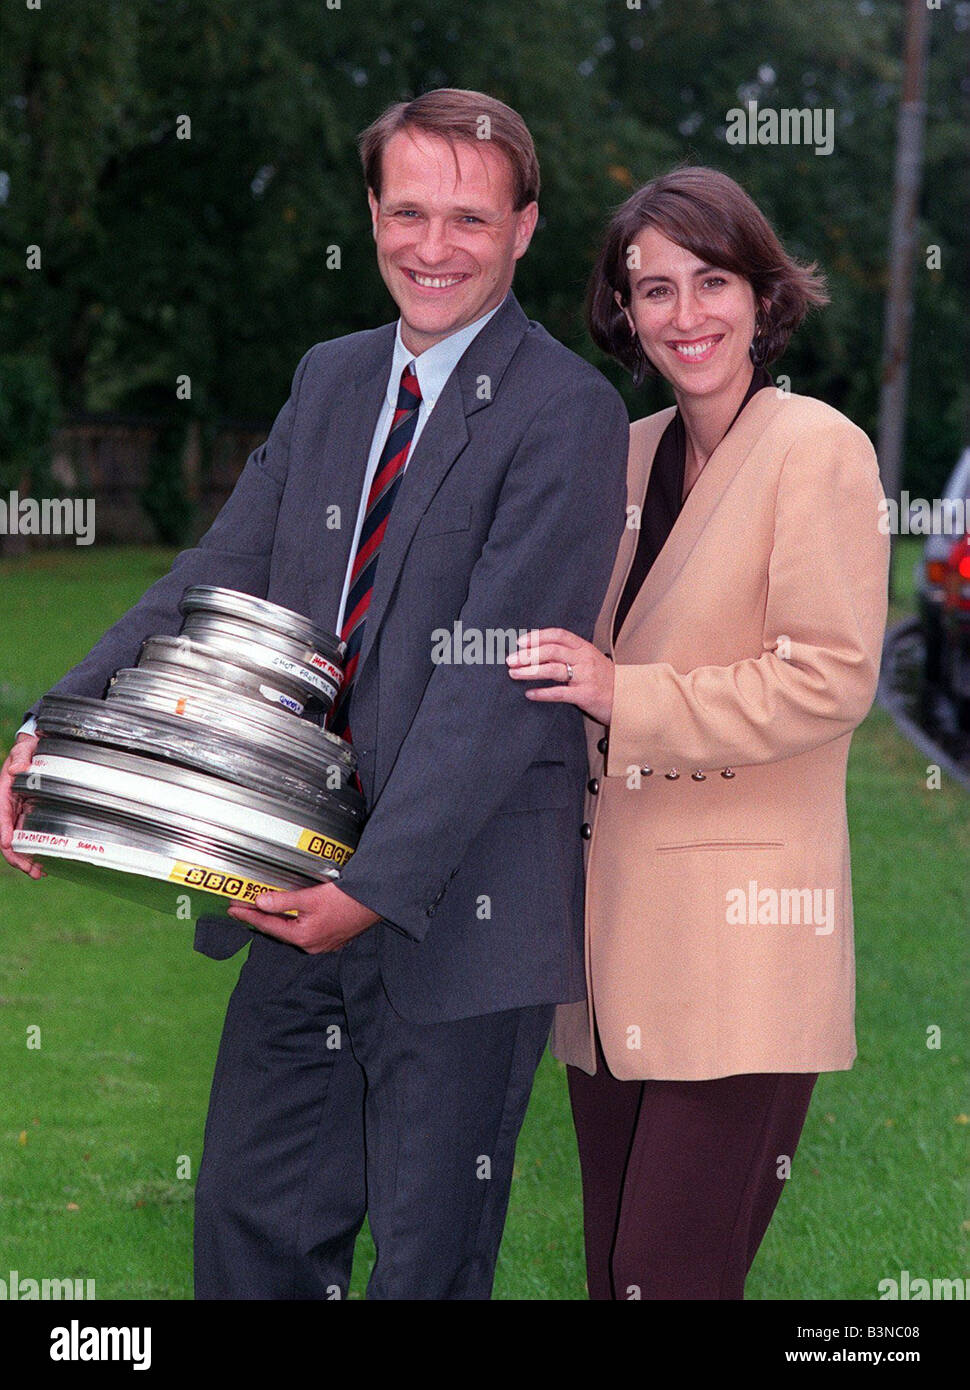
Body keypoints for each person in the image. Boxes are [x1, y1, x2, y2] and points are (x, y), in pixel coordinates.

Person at [0, 88, 629, 1300]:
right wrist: (53, 731)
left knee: (426, 1258)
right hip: (288, 869)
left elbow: (496, 685)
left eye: (468, 218)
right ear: (371, 213)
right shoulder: (333, 380)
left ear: (525, 229)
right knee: (250, 1223)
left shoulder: (565, 413)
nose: (432, 246)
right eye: (406, 212)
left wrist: (373, 886)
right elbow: (213, 575)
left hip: (459, 903)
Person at [506, 166, 889, 1299]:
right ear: (623, 314)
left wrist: (630, 695)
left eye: (710, 280)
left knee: (665, 1272)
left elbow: (829, 677)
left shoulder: (818, 449)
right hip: (608, 952)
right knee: (614, 1274)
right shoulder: (622, 454)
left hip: (744, 953)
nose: (685, 316)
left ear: (763, 295)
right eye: (652, 290)